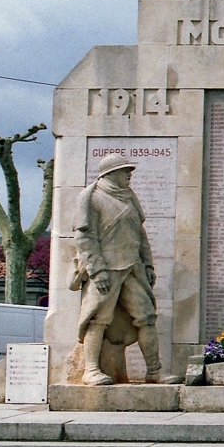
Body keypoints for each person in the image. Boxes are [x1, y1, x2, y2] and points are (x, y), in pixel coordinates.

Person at [71, 154, 181, 385]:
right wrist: (97, 270)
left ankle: (154, 371)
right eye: (124, 171)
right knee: (98, 319)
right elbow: (84, 237)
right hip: (106, 269)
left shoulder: (129, 197)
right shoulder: (91, 197)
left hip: (133, 268)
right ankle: (90, 370)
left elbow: (139, 235)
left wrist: (148, 263)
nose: (129, 175)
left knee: (147, 317)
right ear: (110, 174)